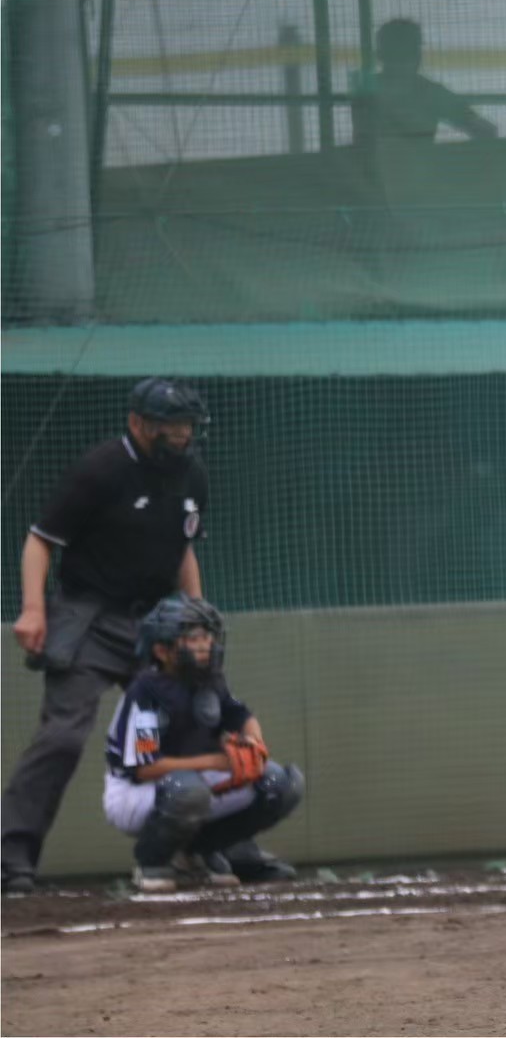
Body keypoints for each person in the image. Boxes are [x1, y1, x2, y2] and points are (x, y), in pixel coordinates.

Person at [2, 379, 293, 893]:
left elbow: (183, 551)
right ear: (138, 423)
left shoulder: (192, 474)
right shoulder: (101, 469)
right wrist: (32, 610)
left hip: (159, 623)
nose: (181, 435)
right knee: (62, 735)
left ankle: (225, 847)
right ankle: (11, 858)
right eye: (170, 425)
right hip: (90, 618)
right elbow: (40, 541)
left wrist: (196, 617)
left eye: (187, 426)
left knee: (204, 719)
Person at [104, 594, 305, 892]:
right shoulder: (146, 692)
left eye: (206, 636)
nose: (204, 645)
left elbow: (240, 715)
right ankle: (152, 862)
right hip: (135, 792)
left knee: (279, 784)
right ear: (162, 651)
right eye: (192, 638)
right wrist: (216, 762)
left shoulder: (210, 679)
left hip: (190, 780)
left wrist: (253, 742)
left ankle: (201, 850)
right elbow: (145, 768)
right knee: (188, 791)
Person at [351, 18, 498, 146]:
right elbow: (485, 130)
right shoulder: (432, 92)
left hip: (381, 168)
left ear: (380, 54)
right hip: (418, 167)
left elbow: (484, 129)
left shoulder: (367, 88)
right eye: (401, 51)